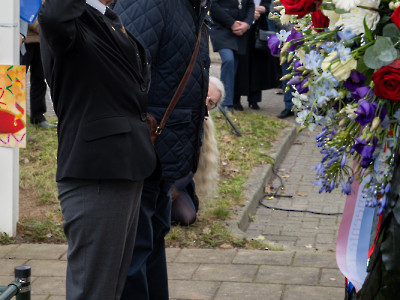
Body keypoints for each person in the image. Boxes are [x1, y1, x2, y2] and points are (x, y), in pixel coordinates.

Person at [38, 0, 157, 299]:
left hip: (126, 165)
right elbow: (53, 16)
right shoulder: (69, 19)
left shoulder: (105, 16)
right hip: (96, 173)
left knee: (110, 288)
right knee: (93, 291)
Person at [112, 0, 211, 299]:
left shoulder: (190, 6)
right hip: (142, 150)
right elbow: (123, 73)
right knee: (134, 255)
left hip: (166, 149)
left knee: (151, 244)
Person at [171, 76, 224, 226]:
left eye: (211, 103)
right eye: (206, 95)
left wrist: (173, 189)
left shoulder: (203, 127)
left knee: (188, 215)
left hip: (177, 179)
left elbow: (190, 167)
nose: (205, 102)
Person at [233, 0, 281, 110]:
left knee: (258, 65)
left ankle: (254, 99)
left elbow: (273, 4)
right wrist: (249, 14)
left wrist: (265, 8)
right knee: (240, 64)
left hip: (259, 29)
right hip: (241, 26)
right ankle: (236, 98)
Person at [209, 0, 255, 111]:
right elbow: (213, 5)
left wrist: (247, 23)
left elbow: (250, 5)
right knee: (228, 60)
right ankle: (225, 104)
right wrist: (232, 24)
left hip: (240, 31)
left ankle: (228, 100)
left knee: (234, 65)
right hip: (221, 29)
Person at [20, 1, 56, 128]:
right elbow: (23, 10)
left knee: (40, 78)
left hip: (42, 41)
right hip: (24, 41)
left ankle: (38, 117)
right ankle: (14, 121)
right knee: (16, 80)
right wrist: (37, 26)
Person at [269, 0, 295, 118]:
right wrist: (291, 28)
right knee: (287, 73)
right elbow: (274, 14)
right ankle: (288, 106)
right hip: (287, 39)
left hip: (307, 38)